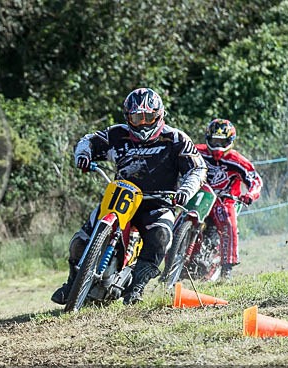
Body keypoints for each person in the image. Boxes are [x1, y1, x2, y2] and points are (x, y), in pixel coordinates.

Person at [51, 88, 207, 306]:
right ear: (127, 117)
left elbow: (198, 169)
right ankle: (72, 283)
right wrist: (83, 155)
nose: (142, 123)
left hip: (159, 201)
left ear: (159, 115)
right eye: (136, 117)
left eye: (148, 117)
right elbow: (88, 140)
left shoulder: (175, 139)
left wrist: (185, 191)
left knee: (161, 235)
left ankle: (137, 286)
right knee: (80, 239)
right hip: (121, 196)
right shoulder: (116, 134)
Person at [195, 118, 262, 279]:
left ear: (230, 141)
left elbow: (255, 180)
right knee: (181, 215)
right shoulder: (197, 152)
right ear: (208, 138)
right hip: (200, 195)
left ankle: (227, 267)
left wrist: (250, 195)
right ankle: (170, 256)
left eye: (222, 141)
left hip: (225, 199)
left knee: (228, 222)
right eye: (214, 140)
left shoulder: (237, 160)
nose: (217, 144)